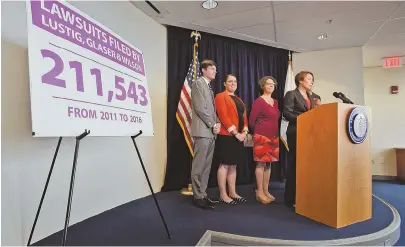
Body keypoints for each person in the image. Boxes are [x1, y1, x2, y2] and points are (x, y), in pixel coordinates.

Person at [190, 59, 221, 210]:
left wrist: (217, 123)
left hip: (210, 132)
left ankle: (203, 194)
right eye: (212, 69)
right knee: (199, 165)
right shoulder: (198, 84)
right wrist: (213, 124)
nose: (215, 71)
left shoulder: (209, 88)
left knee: (207, 166)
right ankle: (197, 196)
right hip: (202, 131)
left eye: (215, 69)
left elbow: (212, 110)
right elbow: (200, 108)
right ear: (203, 70)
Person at [214, 74, 249, 204]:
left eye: (235, 81)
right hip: (227, 136)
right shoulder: (220, 96)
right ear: (224, 84)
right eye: (230, 81)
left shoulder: (239, 99)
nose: (233, 83)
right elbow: (223, 116)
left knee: (233, 165)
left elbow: (244, 117)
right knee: (224, 165)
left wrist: (244, 132)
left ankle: (232, 192)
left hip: (239, 136)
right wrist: (236, 133)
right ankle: (223, 194)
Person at [283, 71, 315, 208]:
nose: (311, 81)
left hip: (309, 134)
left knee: (306, 166)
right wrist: (304, 119)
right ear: (300, 81)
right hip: (295, 132)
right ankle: (291, 198)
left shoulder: (310, 96)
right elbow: (287, 113)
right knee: (295, 165)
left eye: (312, 79)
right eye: (309, 79)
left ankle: (304, 195)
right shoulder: (291, 94)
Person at [249, 76, 280, 204]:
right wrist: (258, 133)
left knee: (269, 164)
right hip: (261, 136)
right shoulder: (259, 101)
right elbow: (251, 121)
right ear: (263, 86)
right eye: (268, 84)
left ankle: (266, 190)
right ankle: (259, 192)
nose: (271, 86)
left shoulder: (275, 102)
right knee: (261, 164)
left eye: (273, 84)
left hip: (274, 136)